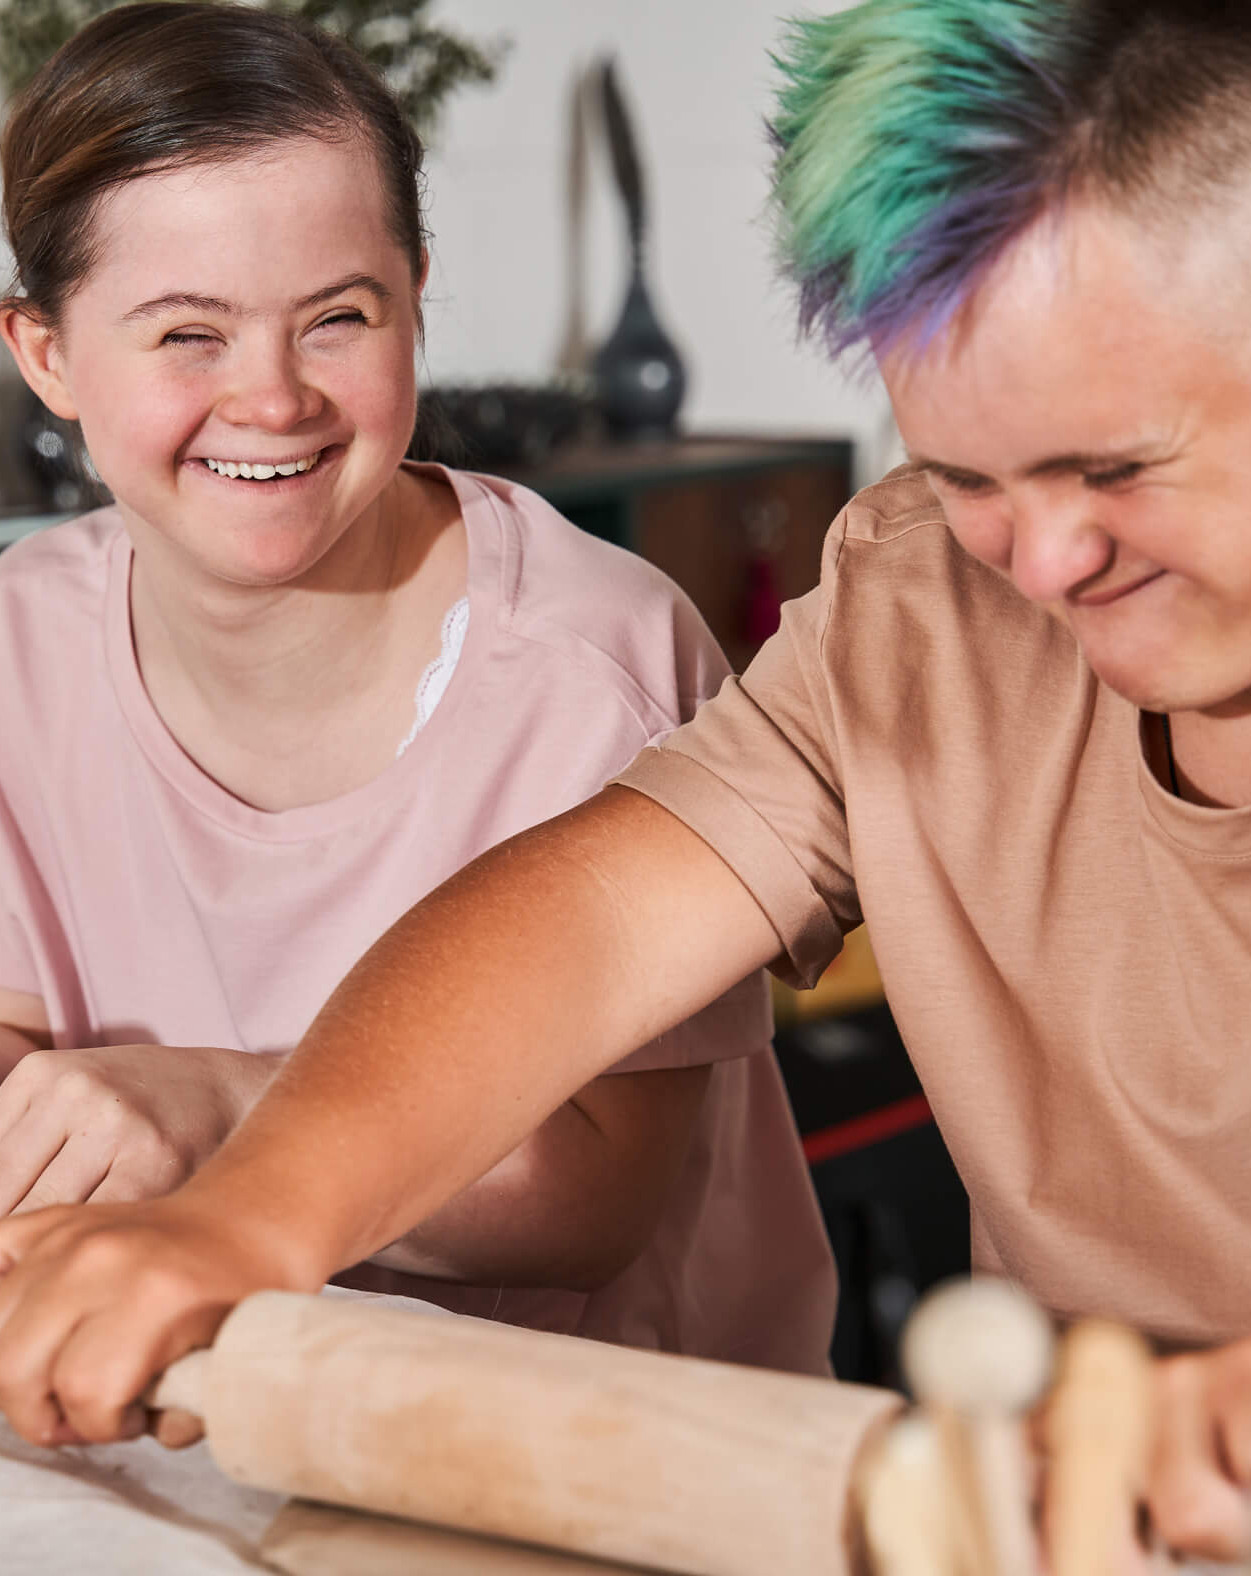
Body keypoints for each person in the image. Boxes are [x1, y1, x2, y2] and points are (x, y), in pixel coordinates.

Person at [0, 0, 1247, 1573]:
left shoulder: (580, 641)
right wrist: (247, 1219)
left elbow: (593, 1190)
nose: (1051, 560)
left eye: (1119, 470)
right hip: (1081, 1557)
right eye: (975, 474)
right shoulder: (923, 607)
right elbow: (593, 912)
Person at [0, 0, 839, 1407]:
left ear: (417, 303)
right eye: (185, 335)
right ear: (47, 356)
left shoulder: (596, 660)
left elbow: (596, 1203)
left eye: (337, 319)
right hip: (210, 1421)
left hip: (615, 1449)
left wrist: (212, 1105)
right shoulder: (20, 644)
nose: (271, 399)